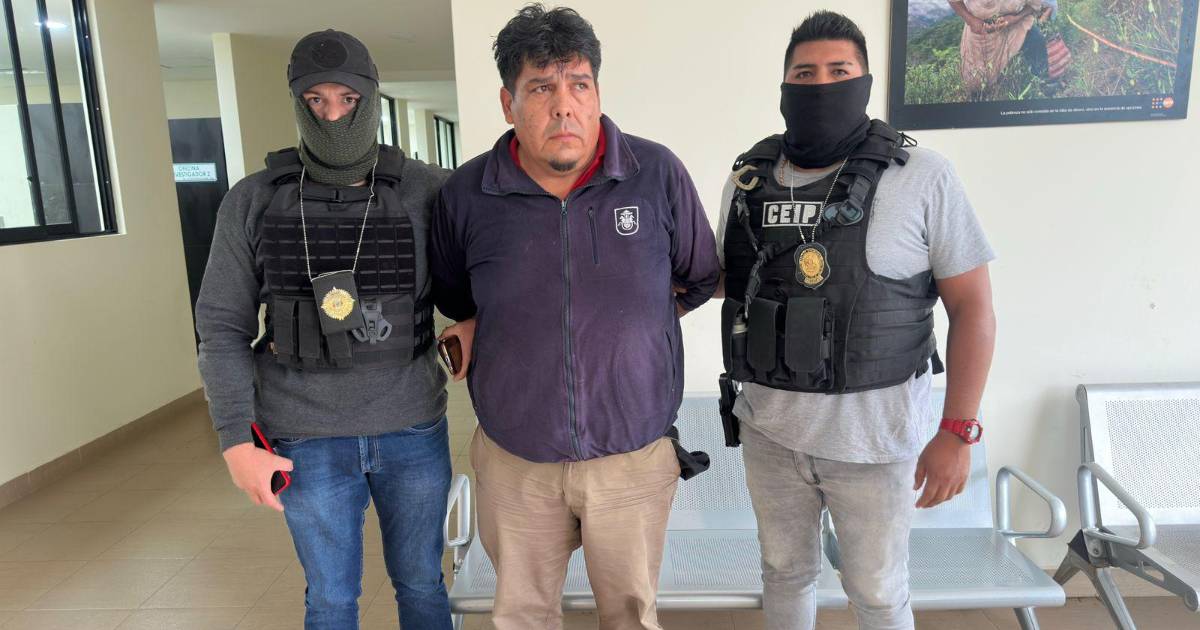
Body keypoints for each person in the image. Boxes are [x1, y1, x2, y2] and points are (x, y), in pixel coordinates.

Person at [430, 5, 720, 629]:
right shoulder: (465, 195)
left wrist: (634, 323)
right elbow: (460, 299)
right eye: (541, 88)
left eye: (579, 85)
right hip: (516, 462)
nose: (564, 106)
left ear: (597, 93)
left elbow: (700, 276)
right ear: (507, 104)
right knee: (523, 617)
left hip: (633, 455)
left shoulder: (655, 174)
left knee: (631, 617)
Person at [715, 11, 997, 630]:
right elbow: (723, 280)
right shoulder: (748, 180)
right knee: (784, 574)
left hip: (874, 443)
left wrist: (958, 430)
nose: (821, 84)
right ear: (784, 85)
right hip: (769, 429)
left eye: (839, 71)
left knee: (877, 593)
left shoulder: (922, 176)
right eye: (804, 73)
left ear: (865, 81)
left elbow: (973, 307)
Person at [195, 29, 453, 630]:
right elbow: (221, 326)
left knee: (422, 584)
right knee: (331, 600)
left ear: (370, 97)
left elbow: (483, 278)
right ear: (297, 102)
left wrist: (469, 319)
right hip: (303, 436)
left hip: (412, 427)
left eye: (348, 99)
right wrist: (235, 439)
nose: (333, 115)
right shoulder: (252, 200)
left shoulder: (428, 190)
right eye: (316, 100)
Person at [949, 0, 1062, 96]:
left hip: (1014, 24)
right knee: (977, 83)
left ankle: (1044, 82)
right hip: (981, 31)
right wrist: (971, 20)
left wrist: (1015, 18)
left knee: (1035, 39)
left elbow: (1033, 5)